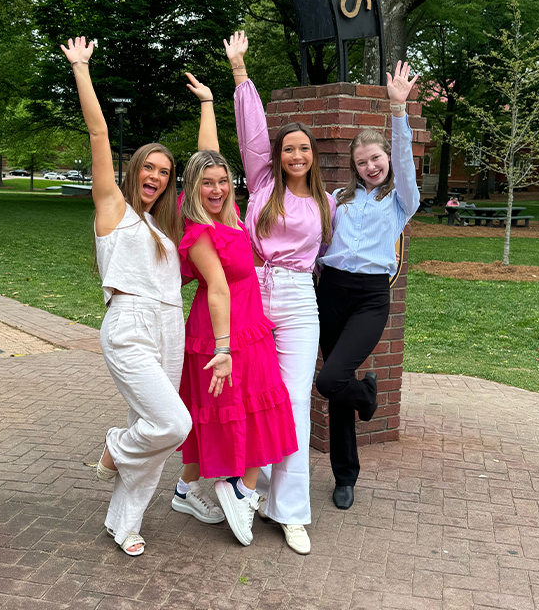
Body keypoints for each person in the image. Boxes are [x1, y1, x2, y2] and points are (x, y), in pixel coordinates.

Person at [60, 36, 193, 557]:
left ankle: (124, 522)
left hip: (169, 324)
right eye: (149, 168)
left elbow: (212, 163)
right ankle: (116, 447)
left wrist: (208, 104)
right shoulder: (112, 208)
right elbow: (98, 131)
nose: (156, 177)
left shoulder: (164, 229)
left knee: (154, 430)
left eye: (164, 172)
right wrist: (81, 69)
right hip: (129, 324)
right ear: (133, 169)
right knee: (173, 423)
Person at [225, 31, 336, 555]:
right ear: (279, 154)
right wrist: (241, 75)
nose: (296, 154)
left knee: (292, 404)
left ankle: (289, 511)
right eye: (289, 147)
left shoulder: (324, 203)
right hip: (253, 292)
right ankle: (245, 486)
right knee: (249, 397)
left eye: (304, 149)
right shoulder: (263, 183)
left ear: (313, 157)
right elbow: (250, 136)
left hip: (297, 300)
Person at [174, 145, 298, 547]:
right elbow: (218, 291)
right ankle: (241, 491)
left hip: (247, 324)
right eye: (207, 183)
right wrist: (224, 349)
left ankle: (185, 490)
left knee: (248, 406)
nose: (217, 189)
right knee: (241, 408)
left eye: (223, 181)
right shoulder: (199, 232)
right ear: (192, 187)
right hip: (225, 330)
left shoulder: (228, 218)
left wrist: (209, 102)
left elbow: (207, 150)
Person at [316, 61, 420, 511]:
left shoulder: (400, 201)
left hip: (371, 297)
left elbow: (402, 158)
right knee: (340, 388)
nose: (371, 166)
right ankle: (346, 476)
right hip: (331, 291)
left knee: (332, 378)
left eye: (375, 158)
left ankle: (367, 395)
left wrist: (398, 110)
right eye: (362, 162)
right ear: (354, 168)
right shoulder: (339, 200)